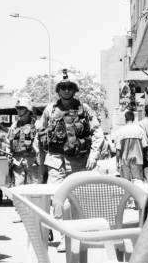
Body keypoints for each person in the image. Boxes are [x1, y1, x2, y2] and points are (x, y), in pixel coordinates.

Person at [38, 69, 103, 252]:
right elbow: (41, 134)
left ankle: (77, 233)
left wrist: (93, 155)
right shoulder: (50, 110)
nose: (66, 90)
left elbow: (97, 133)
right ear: (58, 90)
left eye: (69, 87)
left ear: (74, 89)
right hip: (56, 161)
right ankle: (63, 236)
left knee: (76, 200)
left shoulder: (85, 109)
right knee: (58, 200)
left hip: (79, 162)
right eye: (63, 87)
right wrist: (40, 165)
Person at [7, 97, 41, 185]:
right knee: (18, 189)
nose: (18, 111)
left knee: (34, 188)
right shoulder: (14, 125)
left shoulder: (37, 124)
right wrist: (9, 157)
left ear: (28, 110)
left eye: (21, 109)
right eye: (17, 109)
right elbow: (9, 142)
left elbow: (41, 145)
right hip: (17, 161)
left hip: (33, 161)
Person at [116, 110, 148, 181]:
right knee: (137, 184)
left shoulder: (120, 131)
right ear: (133, 119)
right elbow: (145, 146)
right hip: (138, 162)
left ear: (125, 119)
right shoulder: (140, 130)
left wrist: (117, 162)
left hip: (124, 162)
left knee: (126, 185)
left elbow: (118, 150)